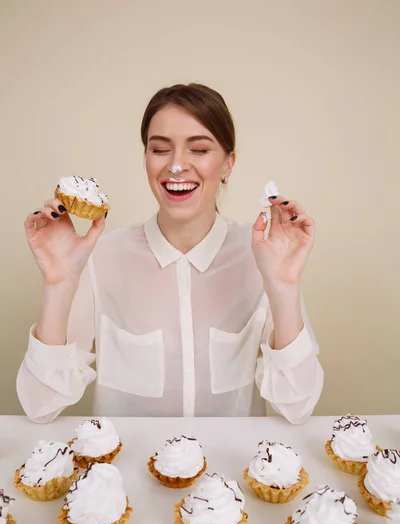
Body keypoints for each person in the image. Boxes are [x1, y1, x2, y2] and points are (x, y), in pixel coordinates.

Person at [18, 83, 323, 424]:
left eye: (199, 150)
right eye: (160, 149)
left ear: (228, 163)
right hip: (126, 473)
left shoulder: (264, 256)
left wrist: (283, 288)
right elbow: (40, 406)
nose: (176, 166)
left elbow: (297, 407)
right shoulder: (99, 257)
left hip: (227, 470)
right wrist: (59, 284)